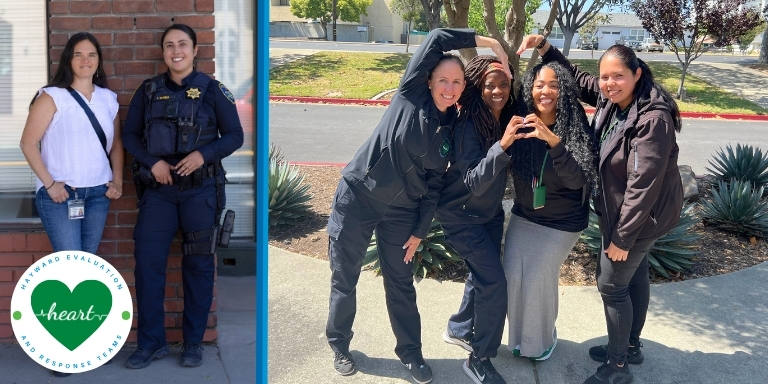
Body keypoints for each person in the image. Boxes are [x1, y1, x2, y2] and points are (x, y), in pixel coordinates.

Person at [326, 29, 510, 383]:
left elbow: (436, 183)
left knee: (401, 283)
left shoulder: (452, 125)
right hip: (359, 199)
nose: (449, 87)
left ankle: (410, 354)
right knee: (345, 278)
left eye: (457, 82)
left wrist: (419, 229)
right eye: (443, 79)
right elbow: (439, 36)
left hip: (402, 212)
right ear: (428, 80)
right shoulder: (409, 96)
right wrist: (490, 43)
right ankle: (339, 344)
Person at [517, 36, 683, 384]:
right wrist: (546, 48)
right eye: (605, 77)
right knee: (633, 276)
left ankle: (618, 367)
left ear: (637, 74)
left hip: (639, 219)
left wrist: (622, 238)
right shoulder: (613, 99)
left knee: (610, 284)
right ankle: (631, 346)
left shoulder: (652, 120)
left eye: (618, 76)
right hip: (624, 213)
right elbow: (576, 78)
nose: (608, 84)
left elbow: (643, 187)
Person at [121, 24, 243, 369]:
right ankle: (151, 344)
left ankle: (193, 343)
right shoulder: (147, 92)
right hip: (158, 194)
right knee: (148, 266)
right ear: (163, 51)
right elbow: (130, 136)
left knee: (200, 267)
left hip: (200, 194)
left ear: (194, 49)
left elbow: (235, 135)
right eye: (169, 45)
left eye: (183, 44)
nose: (176, 50)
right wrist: (152, 161)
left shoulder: (214, 91)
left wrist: (204, 155)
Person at [19, 32, 123, 377]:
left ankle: (87, 345)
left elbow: (117, 145)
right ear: (68, 60)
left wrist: (117, 179)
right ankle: (59, 350)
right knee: (68, 270)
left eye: (91, 54)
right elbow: (28, 143)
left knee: (88, 271)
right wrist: (50, 184)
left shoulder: (108, 99)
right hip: (61, 197)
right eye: (78, 54)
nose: (85, 60)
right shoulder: (52, 97)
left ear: (98, 60)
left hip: (96, 196)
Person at [503, 61, 598, 362]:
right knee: (513, 275)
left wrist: (553, 141)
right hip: (526, 214)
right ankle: (520, 339)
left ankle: (541, 341)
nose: (546, 91)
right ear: (530, 89)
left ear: (564, 90)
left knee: (538, 276)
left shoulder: (572, 122)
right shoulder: (519, 121)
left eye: (554, 85)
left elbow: (577, 179)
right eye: (539, 84)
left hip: (563, 221)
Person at [435, 54, 522, 384]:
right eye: (490, 85)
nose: (497, 90)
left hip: (489, 213)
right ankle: (480, 358)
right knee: (494, 282)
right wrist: (502, 146)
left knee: (480, 275)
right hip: (461, 217)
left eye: (503, 84)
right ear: (477, 88)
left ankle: (458, 328)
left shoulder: (501, 117)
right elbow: (473, 179)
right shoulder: (470, 123)